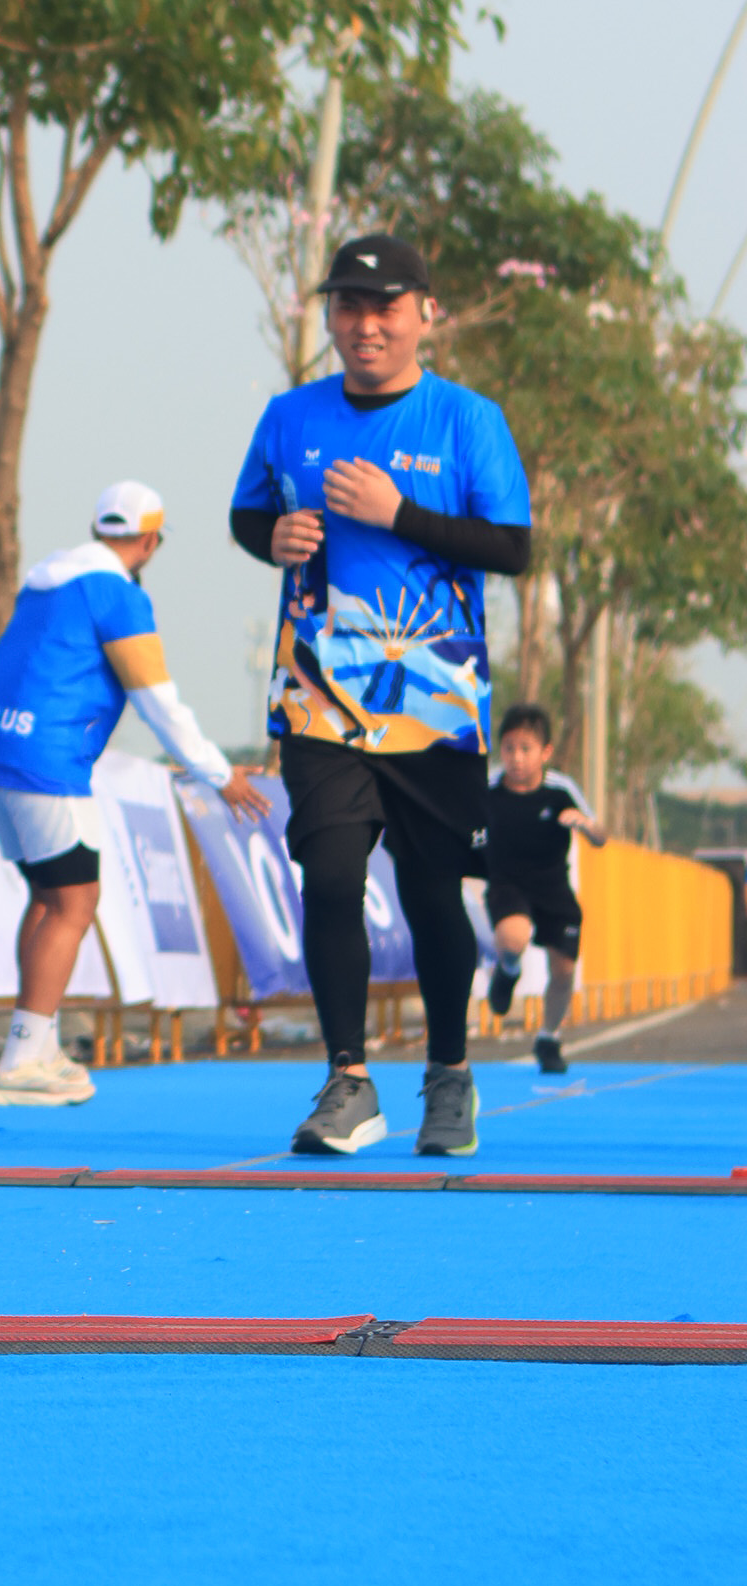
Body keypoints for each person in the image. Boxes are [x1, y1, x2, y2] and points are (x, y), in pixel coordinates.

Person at [230, 234, 532, 1159]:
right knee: (329, 876)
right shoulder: (290, 415)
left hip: (435, 699)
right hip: (318, 693)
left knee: (435, 894)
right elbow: (247, 513)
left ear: (425, 314)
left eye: (386, 307)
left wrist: (398, 514)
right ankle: (348, 1081)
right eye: (349, 306)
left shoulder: (468, 420)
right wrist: (272, 537)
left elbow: (511, 548)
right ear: (329, 314)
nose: (366, 325)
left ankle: (449, 1073)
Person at [0, 480, 267, 1106]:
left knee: (50, 896)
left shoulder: (47, 581)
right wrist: (218, 771)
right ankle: (21, 1058)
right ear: (150, 542)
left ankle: (36, 1045)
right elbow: (155, 697)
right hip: (46, 758)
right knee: (75, 902)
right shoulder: (117, 593)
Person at [482, 701, 602, 1076]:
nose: (516, 758)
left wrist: (584, 824)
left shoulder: (561, 789)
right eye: (509, 748)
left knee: (564, 969)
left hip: (552, 886)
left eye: (526, 749)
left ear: (545, 752)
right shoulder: (488, 789)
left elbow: (600, 836)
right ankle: (508, 969)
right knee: (513, 936)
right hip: (506, 883)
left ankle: (549, 1037)